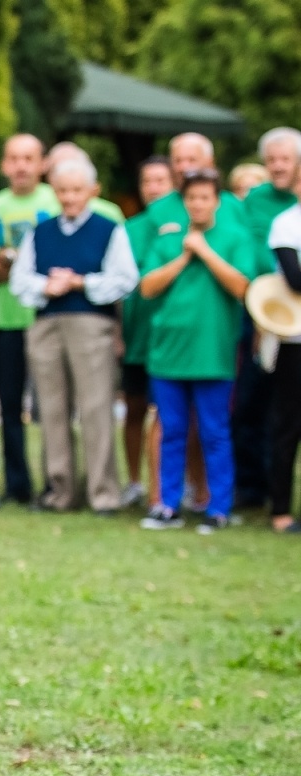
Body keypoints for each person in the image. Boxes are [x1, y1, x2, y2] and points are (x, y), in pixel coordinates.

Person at [10, 156, 138, 513]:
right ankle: (59, 491)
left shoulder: (109, 228)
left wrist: (81, 281)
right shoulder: (42, 231)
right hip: (47, 323)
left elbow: (124, 279)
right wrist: (48, 285)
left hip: (91, 324)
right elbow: (20, 281)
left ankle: (103, 493)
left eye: (77, 190)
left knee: (96, 408)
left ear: (92, 192)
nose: (69, 198)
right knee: (51, 409)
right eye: (63, 191)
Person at [138, 170, 257, 534]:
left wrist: (205, 252)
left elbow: (242, 286)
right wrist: (183, 257)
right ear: (184, 201)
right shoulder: (169, 240)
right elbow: (147, 287)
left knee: (214, 432)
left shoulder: (235, 238)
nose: (198, 204)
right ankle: (167, 505)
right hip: (168, 353)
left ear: (217, 201)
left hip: (213, 354)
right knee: (171, 430)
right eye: (192, 198)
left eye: (205, 197)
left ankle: (218, 507)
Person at [0, 133, 57, 506]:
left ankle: (54, 484)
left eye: (29, 158)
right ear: (3, 165)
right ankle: (17, 485)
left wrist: (9, 261)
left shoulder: (55, 201)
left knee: (53, 408)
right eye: (13, 158)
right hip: (4, 319)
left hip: (47, 318)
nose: (21, 166)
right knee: (10, 407)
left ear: (42, 163)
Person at [234, 129, 301, 509]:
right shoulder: (256, 201)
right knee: (253, 402)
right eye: (271, 159)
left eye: (285, 159)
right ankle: (253, 487)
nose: (277, 166)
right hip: (261, 311)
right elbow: (249, 251)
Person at [120, 156, 175, 507]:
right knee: (135, 408)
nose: (153, 188)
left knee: (170, 415)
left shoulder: (186, 224)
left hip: (171, 337)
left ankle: (171, 483)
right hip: (136, 334)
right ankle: (135, 481)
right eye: (147, 181)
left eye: (160, 180)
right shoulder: (130, 228)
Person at [266, 201, 301, 532]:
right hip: (295, 341)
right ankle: (280, 510)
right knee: (289, 426)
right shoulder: (286, 224)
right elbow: (295, 278)